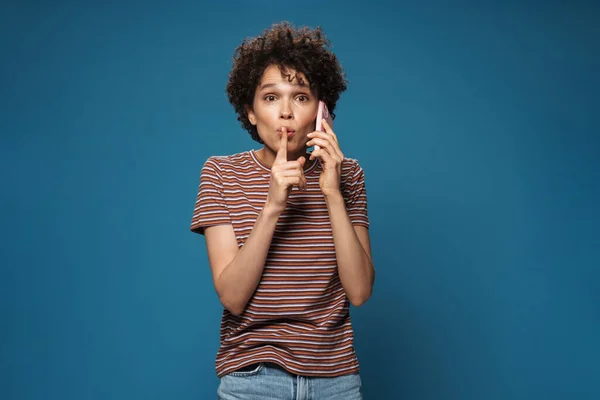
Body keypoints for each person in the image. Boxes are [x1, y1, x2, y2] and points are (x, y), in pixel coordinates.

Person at [190, 21, 375, 399]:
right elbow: (233, 296)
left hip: (334, 379)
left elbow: (359, 291)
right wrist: (274, 203)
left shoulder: (348, 175)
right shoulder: (221, 173)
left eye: (301, 97)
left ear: (322, 111)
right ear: (252, 112)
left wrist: (332, 194)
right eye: (271, 97)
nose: (287, 113)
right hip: (252, 378)